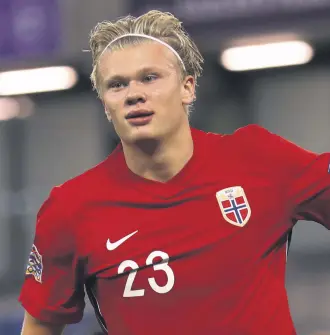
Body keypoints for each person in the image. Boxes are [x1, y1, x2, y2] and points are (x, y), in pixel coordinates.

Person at [19, 9, 330, 335]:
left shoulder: (259, 158)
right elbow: (40, 327)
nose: (134, 94)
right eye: (117, 85)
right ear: (105, 106)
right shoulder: (70, 208)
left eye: (150, 78)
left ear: (188, 88)